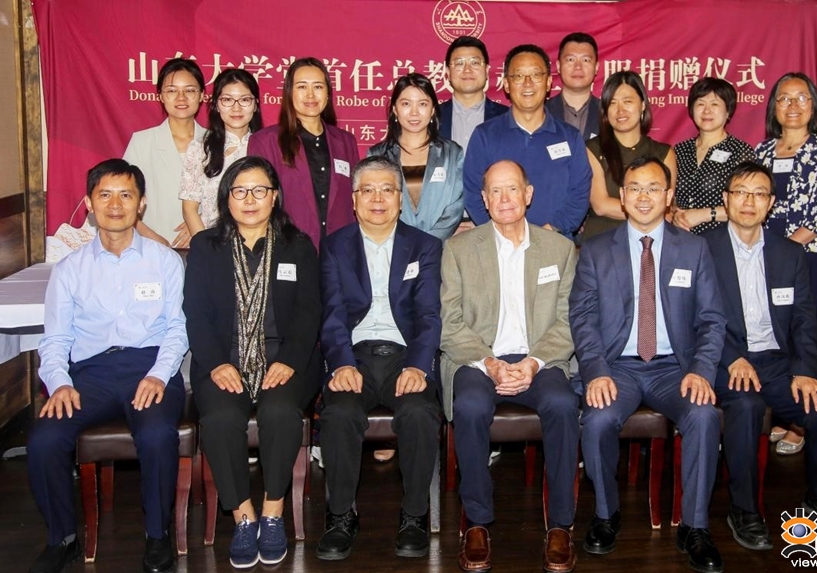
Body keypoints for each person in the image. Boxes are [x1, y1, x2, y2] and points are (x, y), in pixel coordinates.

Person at [28, 159, 188, 573]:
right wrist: (59, 383)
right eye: (105, 195)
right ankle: (62, 538)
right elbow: (55, 340)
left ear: (141, 204)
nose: (115, 205)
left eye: (126, 195)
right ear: (89, 203)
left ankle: (157, 535)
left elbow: (178, 330)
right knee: (45, 438)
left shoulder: (165, 261)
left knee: (156, 434)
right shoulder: (69, 270)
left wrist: (158, 374)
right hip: (91, 374)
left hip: (150, 366)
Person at [570, 156, 725, 573]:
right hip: (616, 366)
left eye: (653, 188)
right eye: (635, 188)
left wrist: (701, 370)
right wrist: (595, 370)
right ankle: (606, 513)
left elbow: (712, 319)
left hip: (675, 368)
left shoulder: (693, 248)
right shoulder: (596, 250)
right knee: (598, 419)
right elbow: (582, 318)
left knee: (704, 415)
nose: (644, 196)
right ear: (622, 196)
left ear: (669, 195)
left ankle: (694, 526)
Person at [705, 162, 817, 552]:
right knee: (746, 406)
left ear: (771, 203)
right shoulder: (702, 249)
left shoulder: (789, 253)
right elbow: (692, 318)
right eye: (741, 192)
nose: (749, 201)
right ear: (726, 199)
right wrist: (731, 357)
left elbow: (805, 319)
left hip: (776, 363)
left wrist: (805, 370)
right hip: (725, 359)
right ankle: (744, 508)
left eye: (759, 194)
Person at [442, 159, 580, 573]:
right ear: (483, 200)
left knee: (562, 404)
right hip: (479, 357)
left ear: (528, 194)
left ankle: (561, 524)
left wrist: (535, 362)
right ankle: (477, 521)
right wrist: (489, 362)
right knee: (469, 406)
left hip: (541, 357)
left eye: (512, 189)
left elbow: (568, 321)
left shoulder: (559, 249)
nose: (505, 199)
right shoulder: (458, 249)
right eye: (495, 191)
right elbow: (450, 323)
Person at [183, 156, 321, 568]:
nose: (249, 199)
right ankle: (244, 516)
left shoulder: (298, 245)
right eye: (239, 191)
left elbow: (309, 311)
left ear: (274, 197)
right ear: (226, 198)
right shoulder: (206, 247)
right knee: (221, 419)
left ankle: (273, 511)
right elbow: (195, 314)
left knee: (280, 413)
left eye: (259, 190)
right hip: (223, 360)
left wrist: (291, 360)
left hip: (285, 359)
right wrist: (214, 363)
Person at [316, 156, 443, 561]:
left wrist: (419, 365)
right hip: (354, 354)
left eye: (387, 190)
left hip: (406, 354)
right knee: (339, 414)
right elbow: (332, 313)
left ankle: (415, 514)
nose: (377, 198)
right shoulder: (335, 246)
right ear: (354, 200)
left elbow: (428, 315)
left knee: (420, 412)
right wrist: (340, 363)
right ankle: (341, 515)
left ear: (400, 199)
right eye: (367, 190)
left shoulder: (424, 246)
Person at [755, 72, 817, 454]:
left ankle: (803, 422)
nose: (793, 105)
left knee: (808, 333)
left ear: (813, 106)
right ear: (774, 107)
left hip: (806, 260)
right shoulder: (761, 152)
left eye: (801, 98)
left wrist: (783, 253)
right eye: (784, 98)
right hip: (765, 262)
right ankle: (785, 410)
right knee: (777, 335)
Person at [463, 44, 592, 240]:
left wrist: (548, 232)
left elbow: (580, 195)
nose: (528, 83)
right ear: (506, 84)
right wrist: (503, 234)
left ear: (548, 82)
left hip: (555, 243)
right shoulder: (485, 136)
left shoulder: (570, 137)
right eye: (518, 76)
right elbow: (473, 192)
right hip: (499, 245)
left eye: (536, 75)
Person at [248, 57, 359, 250]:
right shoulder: (265, 142)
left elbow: (355, 199)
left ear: (328, 93)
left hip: (340, 251)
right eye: (302, 87)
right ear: (289, 92)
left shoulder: (346, 142)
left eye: (318, 87)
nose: (310, 95)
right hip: (288, 249)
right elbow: (258, 203)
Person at [367, 73, 465, 240]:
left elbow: (455, 207)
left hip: (439, 248)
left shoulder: (452, 153)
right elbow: (373, 206)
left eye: (422, 104)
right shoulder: (377, 155)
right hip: (392, 247)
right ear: (395, 109)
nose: (414, 112)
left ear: (432, 110)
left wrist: (427, 244)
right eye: (406, 103)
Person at [583, 71, 677, 240]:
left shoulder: (664, 153)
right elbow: (601, 205)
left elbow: (666, 206)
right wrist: (648, 211)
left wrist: (654, 212)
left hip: (650, 240)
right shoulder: (592, 149)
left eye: (627, 102)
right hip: (602, 238)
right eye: (613, 103)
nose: (620, 110)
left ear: (642, 105)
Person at [124, 57, 206, 247]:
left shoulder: (218, 143)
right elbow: (124, 198)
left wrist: (201, 221)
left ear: (202, 95)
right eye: (171, 91)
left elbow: (231, 199)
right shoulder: (142, 142)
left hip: (207, 246)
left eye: (189, 90)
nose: (181, 97)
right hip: (153, 247)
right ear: (160, 96)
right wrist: (151, 237)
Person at [180, 69, 263, 237]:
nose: (236, 108)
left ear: (255, 104)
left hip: (259, 241)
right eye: (227, 100)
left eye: (245, 99)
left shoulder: (268, 146)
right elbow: (190, 209)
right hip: (213, 242)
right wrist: (205, 246)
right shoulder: (200, 149)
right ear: (216, 105)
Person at [672, 78, 754, 235]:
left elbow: (747, 205)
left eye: (714, 104)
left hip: (719, 238)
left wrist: (705, 214)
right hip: (681, 238)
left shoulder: (740, 152)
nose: (706, 111)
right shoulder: (679, 150)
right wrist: (675, 213)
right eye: (700, 104)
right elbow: (670, 197)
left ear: (728, 111)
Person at [438, 36, 508, 152]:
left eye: (475, 63)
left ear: (486, 70)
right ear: (448, 72)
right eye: (459, 63)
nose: (467, 70)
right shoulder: (432, 117)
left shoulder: (507, 117)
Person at [546, 32, 601, 141]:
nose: (578, 67)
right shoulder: (542, 111)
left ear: (596, 67)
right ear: (558, 66)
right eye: (570, 59)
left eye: (586, 60)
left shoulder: (608, 112)